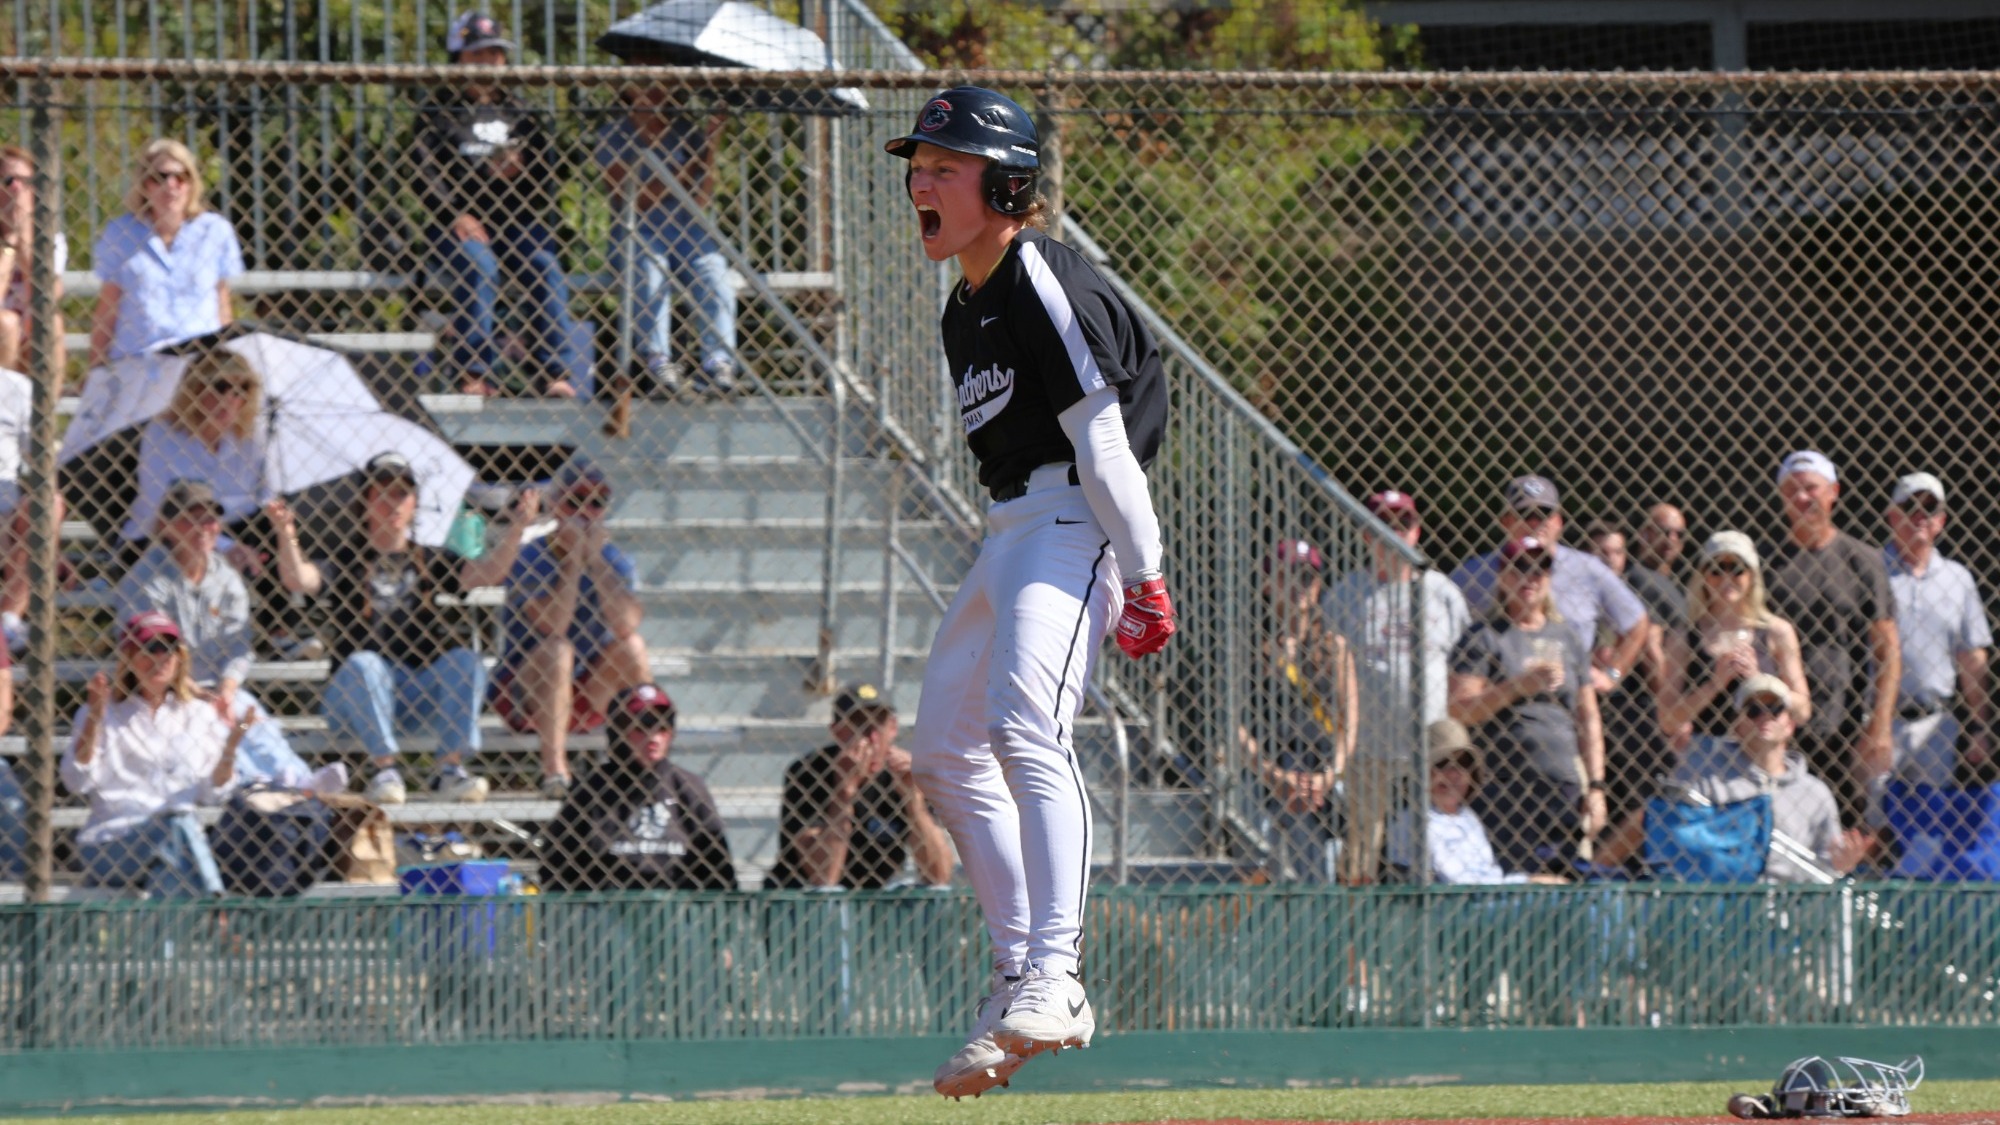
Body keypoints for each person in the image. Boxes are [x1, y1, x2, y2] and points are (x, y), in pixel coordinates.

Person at [886, 87, 1176, 1098]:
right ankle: (1017, 978)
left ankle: (1058, 973)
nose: (920, 180)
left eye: (944, 165)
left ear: (1007, 185)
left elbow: (1102, 439)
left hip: (1071, 520)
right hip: (1009, 527)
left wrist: (1142, 570)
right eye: (916, 164)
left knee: (1024, 725)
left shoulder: (1037, 275)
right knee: (940, 753)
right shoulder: (963, 301)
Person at [271, 452, 537, 805]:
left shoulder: (428, 558)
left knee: (466, 661)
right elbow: (298, 578)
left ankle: (449, 769)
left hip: (413, 693)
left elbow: (487, 574)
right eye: (380, 494)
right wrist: (285, 535)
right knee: (365, 664)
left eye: (401, 494)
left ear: (414, 504)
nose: (391, 503)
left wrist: (517, 527)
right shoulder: (346, 557)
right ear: (364, 504)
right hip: (351, 700)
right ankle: (385, 770)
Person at [114, 478, 330, 790]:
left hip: (218, 687)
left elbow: (238, 646)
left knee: (250, 716)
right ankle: (260, 785)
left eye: (210, 519)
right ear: (166, 527)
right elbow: (148, 653)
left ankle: (299, 778)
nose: (204, 527)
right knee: (210, 723)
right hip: (168, 690)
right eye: (191, 519)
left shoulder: (226, 576)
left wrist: (226, 691)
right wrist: (203, 695)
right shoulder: (147, 579)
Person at [412, 11, 579, 397]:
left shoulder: (521, 112)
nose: (488, 63)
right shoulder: (438, 114)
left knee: (545, 265)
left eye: (495, 54)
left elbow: (549, 179)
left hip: (514, 222)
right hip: (457, 225)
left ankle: (556, 373)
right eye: (477, 55)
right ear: (458, 61)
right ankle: (474, 372)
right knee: (480, 265)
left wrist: (523, 171)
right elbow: (422, 173)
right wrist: (455, 212)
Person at [1324, 490, 1470, 884]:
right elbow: (1333, 669)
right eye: (1383, 524)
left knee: (1434, 846)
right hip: (1369, 746)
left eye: (1402, 523)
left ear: (1417, 531)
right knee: (1362, 851)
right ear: (1367, 535)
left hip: (1432, 749)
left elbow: (1463, 668)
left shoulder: (1443, 592)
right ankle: (1356, 927)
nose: (1394, 532)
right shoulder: (1345, 595)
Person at [1598, 675, 1871, 884]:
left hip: (1789, 910)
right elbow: (1679, 839)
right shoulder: (1706, 777)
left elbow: (1823, 872)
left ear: (1790, 724)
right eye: (1753, 711)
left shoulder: (1815, 792)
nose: (1764, 717)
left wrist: (1840, 865)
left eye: (1774, 709)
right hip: (1724, 905)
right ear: (1737, 725)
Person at [490, 456, 649, 799]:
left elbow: (626, 624)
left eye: (597, 502)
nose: (586, 511)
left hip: (589, 688)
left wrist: (595, 560)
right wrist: (575, 563)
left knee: (632, 646)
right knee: (557, 650)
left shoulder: (613, 558)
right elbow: (554, 625)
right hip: (527, 690)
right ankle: (555, 772)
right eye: (576, 501)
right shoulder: (530, 556)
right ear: (556, 506)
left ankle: (643, 765)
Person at [1448, 536, 1606, 875]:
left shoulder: (1568, 639)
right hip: (1506, 786)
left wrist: (1596, 787)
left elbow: (1588, 717)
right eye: (1519, 567)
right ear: (1503, 575)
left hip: (1562, 783)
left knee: (1566, 881)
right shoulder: (1485, 636)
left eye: (1540, 568)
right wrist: (1518, 687)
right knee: (1513, 882)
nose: (1529, 577)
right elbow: (1459, 710)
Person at [58, 612, 246, 896]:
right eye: (149, 648)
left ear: (180, 656)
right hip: (111, 841)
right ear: (129, 657)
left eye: (167, 648)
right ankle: (216, 901)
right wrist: (94, 719)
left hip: (177, 845)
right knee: (178, 821)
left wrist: (231, 747)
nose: (159, 657)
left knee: (168, 871)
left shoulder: (198, 714)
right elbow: (76, 781)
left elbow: (214, 792)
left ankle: (174, 935)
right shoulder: (103, 712)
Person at [1763, 450, 1899, 828]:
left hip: (1847, 724)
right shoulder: (1766, 563)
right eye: (1792, 490)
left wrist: (1880, 726)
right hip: (1779, 720)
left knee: (1847, 827)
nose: (1802, 498)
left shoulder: (1863, 561)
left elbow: (1887, 648)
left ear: (1834, 492)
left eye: (1811, 488)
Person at [1449, 475, 1649, 699]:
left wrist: (1612, 674)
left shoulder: (1587, 568)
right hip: (1499, 700)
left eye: (1544, 514)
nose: (1535, 523)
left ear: (1558, 522)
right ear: (1506, 521)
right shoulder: (1475, 572)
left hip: (1573, 696)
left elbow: (1637, 622)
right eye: (1525, 514)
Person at [597, 80, 738, 396]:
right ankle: (658, 360)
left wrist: (710, 148)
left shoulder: (685, 132)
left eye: (662, 79)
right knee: (651, 267)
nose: (655, 87)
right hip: (639, 229)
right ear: (629, 87)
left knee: (714, 270)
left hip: (687, 228)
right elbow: (634, 196)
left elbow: (699, 200)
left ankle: (717, 362)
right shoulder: (613, 135)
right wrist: (685, 171)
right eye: (646, 78)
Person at [1235, 539, 1355, 884]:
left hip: (1319, 773)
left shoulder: (1335, 647)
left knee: (1320, 878)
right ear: (1270, 584)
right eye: (1289, 577)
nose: (1300, 587)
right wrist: (1274, 776)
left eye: (1307, 578)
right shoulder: (1249, 646)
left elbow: (1349, 725)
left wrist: (1329, 777)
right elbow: (1235, 725)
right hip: (1264, 772)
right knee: (1262, 873)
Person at [541, 684, 736, 892]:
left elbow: (719, 870)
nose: (653, 736)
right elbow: (556, 866)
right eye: (642, 725)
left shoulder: (689, 787)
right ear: (620, 731)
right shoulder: (593, 789)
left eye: (662, 726)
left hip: (675, 911)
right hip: (609, 912)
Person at [765, 684, 952, 891]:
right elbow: (823, 877)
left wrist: (912, 798)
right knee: (829, 892)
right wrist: (844, 791)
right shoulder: (809, 772)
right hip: (806, 896)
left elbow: (939, 875)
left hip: (876, 896)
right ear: (837, 732)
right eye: (859, 724)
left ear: (892, 729)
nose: (872, 738)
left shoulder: (905, 774)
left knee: (937, 891)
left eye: (878, 724)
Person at [1879, 472, 1993, 793]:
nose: (1919, 516)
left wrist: (1979, 726)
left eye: (1929, 508)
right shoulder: (1870, 570)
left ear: (1941, 520)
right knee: (1875, 822)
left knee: (1928, 828)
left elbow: (1971, 658)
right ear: (1891, 515)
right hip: (1877, 720)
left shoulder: (1958, 580)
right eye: (1909, 506)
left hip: (1936, 726)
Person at [88, 138, 242, 367]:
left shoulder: (215, 230)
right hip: (139, 362)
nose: (171, 185)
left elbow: (222, 304)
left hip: (198, 363)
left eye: (181, 177)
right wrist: (95, 369)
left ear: (191, 184)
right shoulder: (120, 233)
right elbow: (108, 308)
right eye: (160, 177)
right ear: (145, 184)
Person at [1657, 531, 1811, 759]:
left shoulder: (1777, 632)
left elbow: (1803, 710)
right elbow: (1668, 720)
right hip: (1707, 754)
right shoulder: (1683, 637)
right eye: (1717, 569)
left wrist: (1760, 681)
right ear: (1703, 577)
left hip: (1762, 753)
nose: (1726, 578)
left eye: (1737, 569)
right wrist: (1714, 685)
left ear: (1752, 576)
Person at [1583, 517, 1679, 830]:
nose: (1609, 560)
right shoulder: (1573, 596)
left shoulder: (1636, 599)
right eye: (1600, 553)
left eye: (1616, 553)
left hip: (1631, 706)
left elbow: (1657, 667)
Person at [1387, 720, 1567, 885]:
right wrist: (1527, 882)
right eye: (1442, 763)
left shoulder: (1467, 817)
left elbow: (1488, 876)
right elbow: (1460, 884)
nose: (1453, 774)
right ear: (1422, 773)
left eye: (1463, 764)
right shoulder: (1416, 821)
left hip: (1487, 899)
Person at [0, 144, 66, 376]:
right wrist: (9, 241)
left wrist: (25, 241)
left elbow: (50, 294)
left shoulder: (50, 239)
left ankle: (47, 409)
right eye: (8, 181)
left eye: (26, 182)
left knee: (52, 322)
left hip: (29, 344)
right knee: (5, 323)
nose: (17, 189)